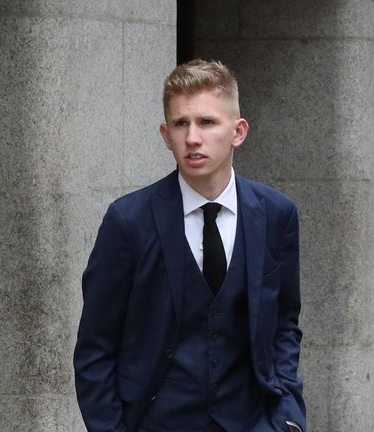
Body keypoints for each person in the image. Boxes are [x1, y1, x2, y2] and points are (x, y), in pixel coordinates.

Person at [74, 59, 305, 432]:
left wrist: (287, 419)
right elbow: (95, 348)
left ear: (238, 131)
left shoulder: (277, 214)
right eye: (181, 124)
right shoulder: (128, 220)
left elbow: (284, 324)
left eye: (207, 122)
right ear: (166, 135)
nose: (192, 138)